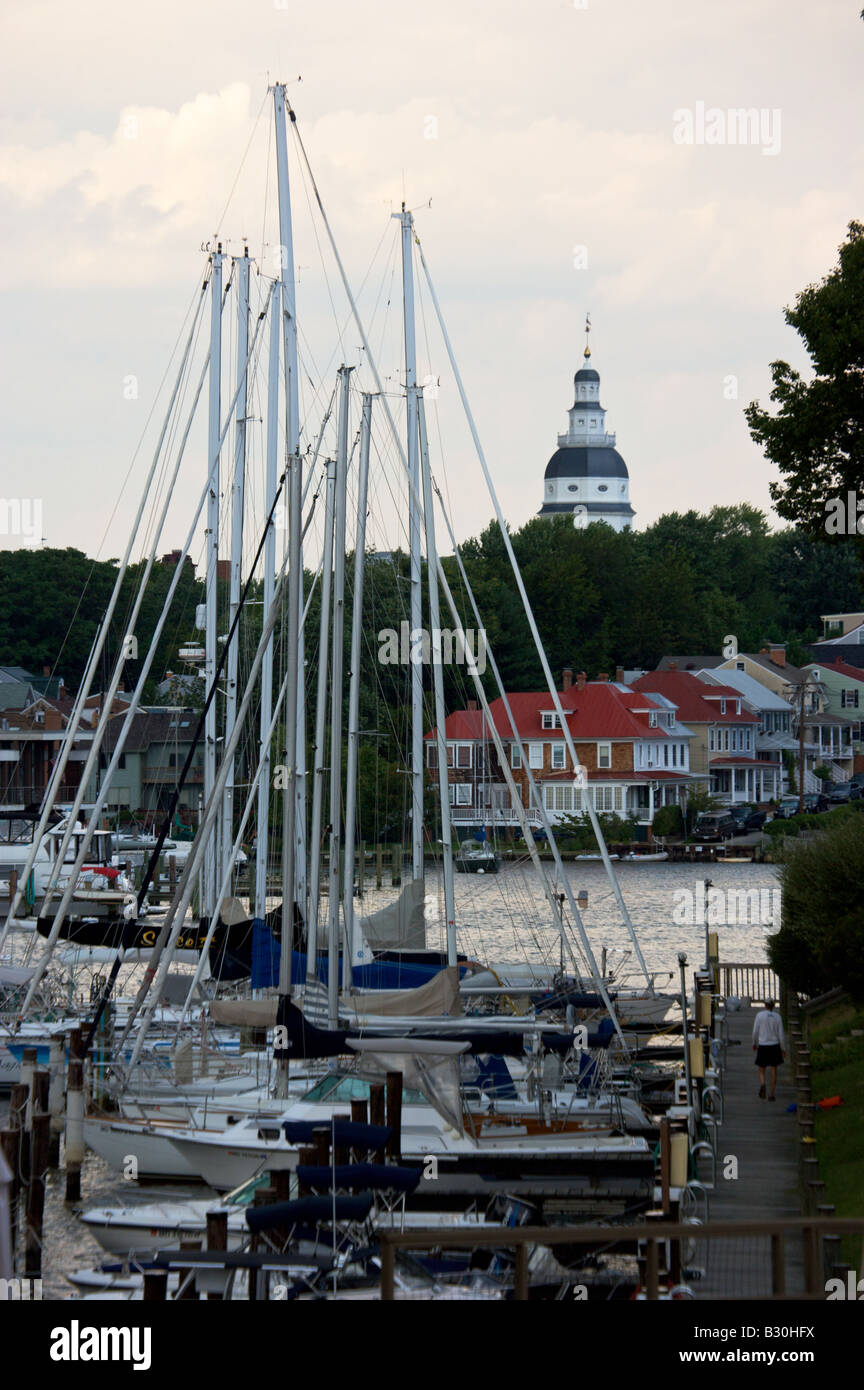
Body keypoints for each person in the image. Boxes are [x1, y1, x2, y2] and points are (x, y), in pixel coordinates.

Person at [752, 998, 786, 1101]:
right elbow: (781, 1034)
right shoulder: (778, 1017)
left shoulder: (759, 1015)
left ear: (765, 1005)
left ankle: (763, 1084)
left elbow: (755, 1032)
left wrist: (754, 1043)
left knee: (761, 1069)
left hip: (763, 1045)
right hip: (774, 1045)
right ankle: (771, 1094)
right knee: (773, 1069)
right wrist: (783, 1048)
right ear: (773, 1006)